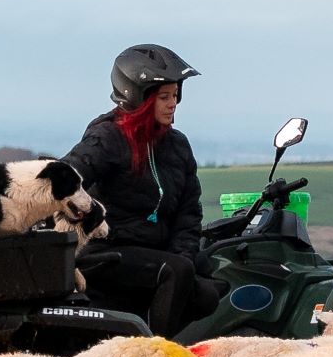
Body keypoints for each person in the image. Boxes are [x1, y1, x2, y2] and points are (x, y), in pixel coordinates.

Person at [63, 44, 222, 336]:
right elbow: (67, 178)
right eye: (164, 97)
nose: (172, 103)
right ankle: (153, 355)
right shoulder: (107, 137)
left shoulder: (177, 146)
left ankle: (139, 332)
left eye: (175, 95)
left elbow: (189, 214)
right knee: (176, 272)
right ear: (137, 98)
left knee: (207, 288)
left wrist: (185, 256)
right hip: (106, 251)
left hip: (150, 252)